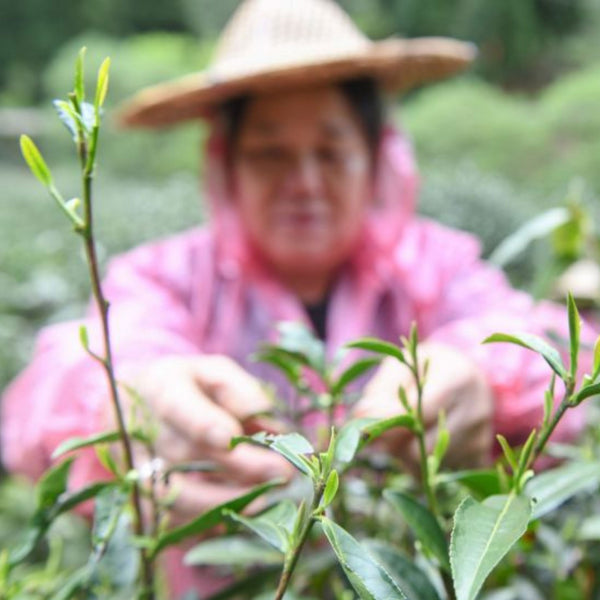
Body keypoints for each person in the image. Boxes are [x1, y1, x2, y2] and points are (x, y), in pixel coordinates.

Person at [1, 0, 592, 596]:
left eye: (331, 151)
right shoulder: (167, 277)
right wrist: (130, 405)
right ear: (227, 165)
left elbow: (569, 357)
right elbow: (40, 400)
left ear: (373, 157)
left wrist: (482, 377)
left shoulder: (435, 267)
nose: (305, 182)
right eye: (270, 153)